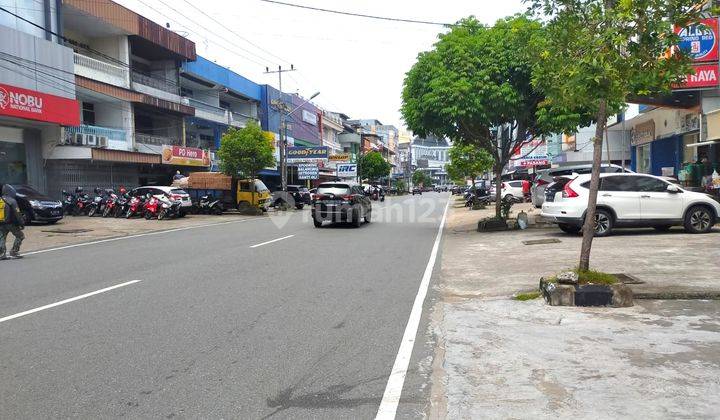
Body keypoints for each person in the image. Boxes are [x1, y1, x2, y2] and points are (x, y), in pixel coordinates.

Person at [1, 184, 25, 260]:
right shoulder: (12, 201)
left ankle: (1, 254)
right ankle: (14, 251)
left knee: (2, 238)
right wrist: (22, 223)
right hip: (11, 223)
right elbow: (17, 213)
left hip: (1, 223)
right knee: (20, 236)